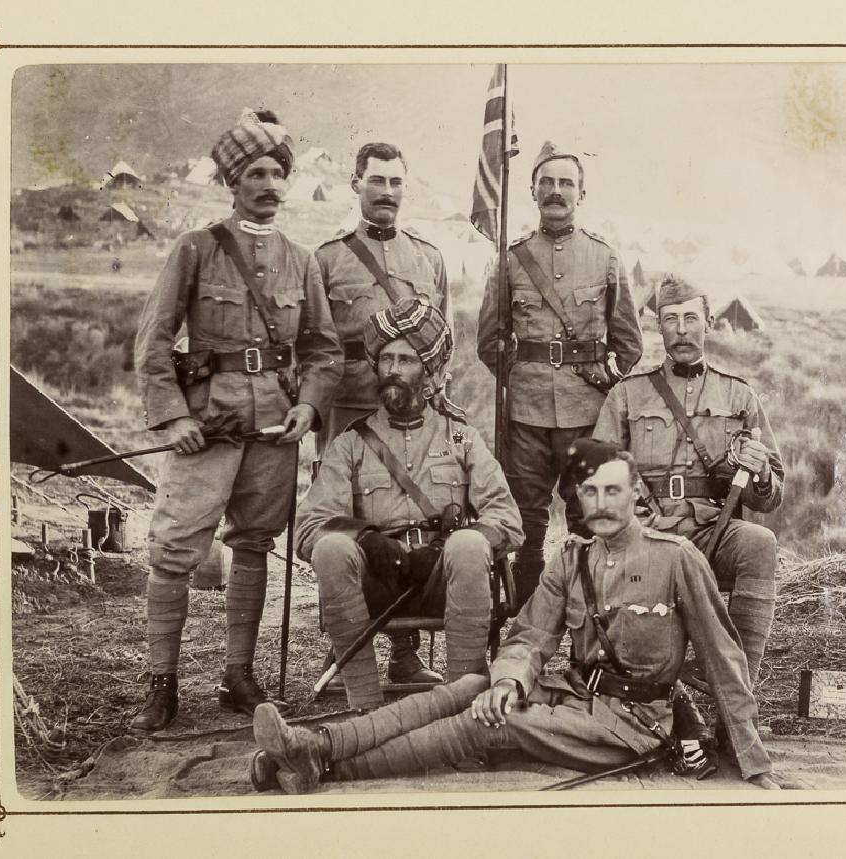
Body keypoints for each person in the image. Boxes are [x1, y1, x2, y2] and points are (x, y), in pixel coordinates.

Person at [250, 439, 789, 792]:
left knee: (486, 723)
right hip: (575, 696)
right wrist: (508, 680)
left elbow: (723, 658)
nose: (601, 504)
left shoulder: (677, 558)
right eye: (590, 492)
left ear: (635, 497)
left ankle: (323, 764)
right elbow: (529, 636)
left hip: (633, 724)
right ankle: (312, 746)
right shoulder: (572, 559)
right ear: (579, 500)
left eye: (613, 491)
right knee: (468, 689)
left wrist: (753, 760)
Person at [131, 109, 342, 732]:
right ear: (233, 181)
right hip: (207, 428)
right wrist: (172, 417)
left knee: (253, 544)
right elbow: (153, 338)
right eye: (256, 173)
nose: (269, 185)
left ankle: (237, 676)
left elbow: (324, 350)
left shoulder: (301, 260)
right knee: (174, 551)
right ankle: (161, 683)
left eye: (278, 173)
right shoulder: (196, 249)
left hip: (273, 430)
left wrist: (308, 406)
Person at [292, 298, 523, 712]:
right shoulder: (350, 444)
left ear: (429, 371)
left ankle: (462, 703)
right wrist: (365, 539)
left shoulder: (461, 438)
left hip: (442, 581)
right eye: (386, 359)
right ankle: (364, 707)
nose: (393, 369)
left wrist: (453, 544)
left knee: (470, 546)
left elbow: (506, 519)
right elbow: (309, 526)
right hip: (376, 583)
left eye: (406, 360)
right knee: (331, 548)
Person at [593, 275, 783, 687]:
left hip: (711, 531)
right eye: (671, 319)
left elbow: (770, 498)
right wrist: (632, 516)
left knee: (760, 542)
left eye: (691, 318)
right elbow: (597, 477)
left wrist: (762, 471)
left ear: (709, 323)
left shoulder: (739, 397)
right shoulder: (627, 395)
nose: (681, 330)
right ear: (658, 326)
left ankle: (737, 683)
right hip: (646, 532)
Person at [477, 141, 643, 602]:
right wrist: (518, 379)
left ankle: (587, 611)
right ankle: (527, 613)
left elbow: (629, 341)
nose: (556, 190)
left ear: (581, 193)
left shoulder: (605, 257)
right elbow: (488, 341)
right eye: (546, 182)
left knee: (587, 514)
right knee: (525, 519)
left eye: (566, 183)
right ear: (532, 190)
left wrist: (605, 380)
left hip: (586, 413)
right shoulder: (511, 259)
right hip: (525, 414)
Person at [314, 142, 450, 683]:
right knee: (346, 519)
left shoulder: (428, 257)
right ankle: (344, 642)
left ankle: (404, 654)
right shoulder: (327, 259)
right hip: (350, 404)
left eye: (395, 182)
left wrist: (435, 390)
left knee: (408, 514)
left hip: (412, 409)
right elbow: (315, 344)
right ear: (356, 185)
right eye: (376, 180)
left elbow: (441, 341)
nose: (386, 192)